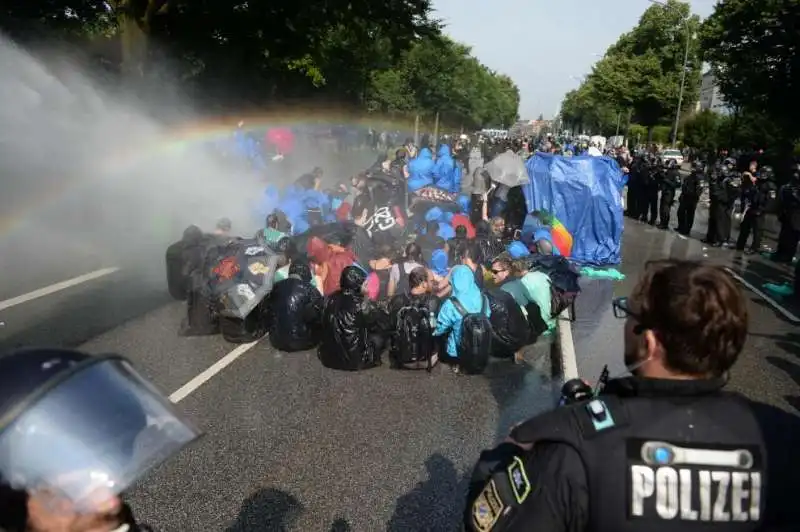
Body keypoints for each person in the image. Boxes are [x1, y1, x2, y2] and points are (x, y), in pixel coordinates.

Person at [464, 260, 800, 531]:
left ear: (650, 342)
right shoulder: (783, 438)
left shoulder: (575, 448)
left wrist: (508, 452)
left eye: (629, 312)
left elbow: (485, 521)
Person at [318, 266, 385, 371]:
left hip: (329, 359)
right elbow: (378, 324)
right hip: (356, 360)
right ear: (357, 284)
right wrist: (368, 298)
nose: (367, 284)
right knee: (379, 336)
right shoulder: (362, 304)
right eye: (364, 283)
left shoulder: (330, 299)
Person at [433, 265, 491, 372]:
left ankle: (456, 364)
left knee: (446, 332)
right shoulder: (484, 298)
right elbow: (488, 316)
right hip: (481, 346)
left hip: (458, 352)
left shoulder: (451, 303)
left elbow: (440, 328)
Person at [267, 261, 324, 352]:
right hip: (303, 342)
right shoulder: (310, 289)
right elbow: (319, 314)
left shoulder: (276, 287)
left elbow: (268, 311)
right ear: (305, 273)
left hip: (276, 340)